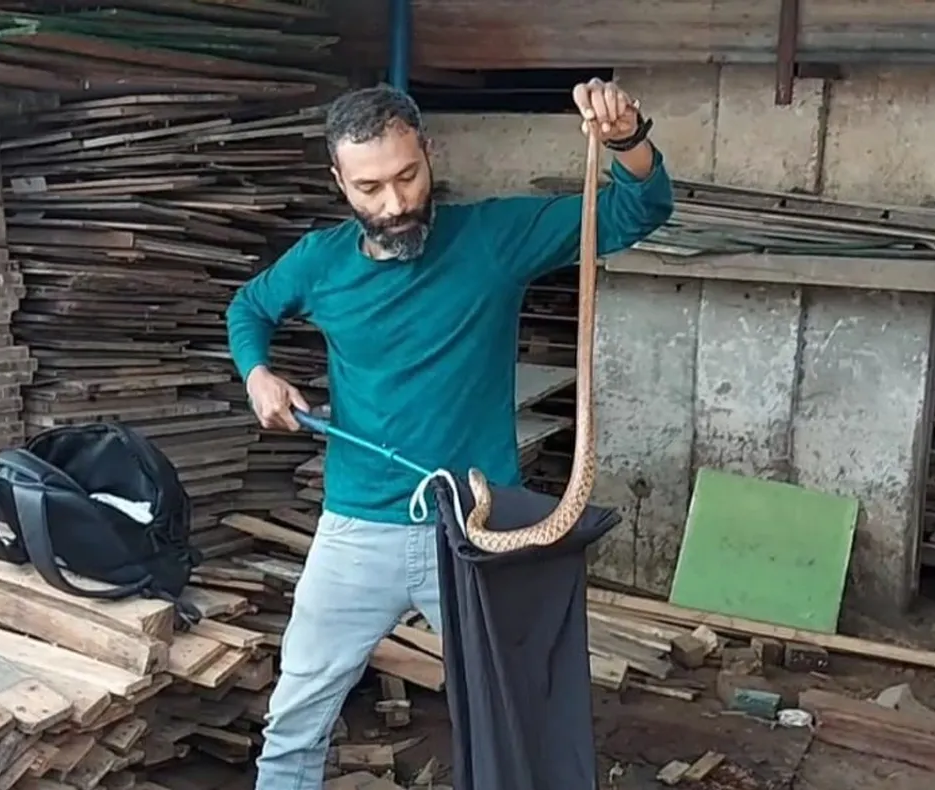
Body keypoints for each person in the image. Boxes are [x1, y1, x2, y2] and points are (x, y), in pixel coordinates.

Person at [226, 78, 674, 789]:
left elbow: (635, 210)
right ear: (338, 181)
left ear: (429, 154)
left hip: (474, 529)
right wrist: (257, 374)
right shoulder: (319, 262)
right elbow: (249, 308)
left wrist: (625, 138)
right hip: (356, 528)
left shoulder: (494, 238)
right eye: (369, 188)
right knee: (295, 722)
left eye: (407, 176)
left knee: (516, 717)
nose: (395, 204)